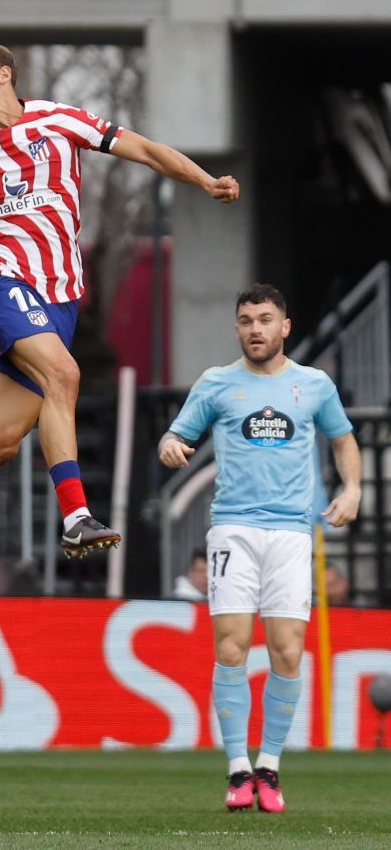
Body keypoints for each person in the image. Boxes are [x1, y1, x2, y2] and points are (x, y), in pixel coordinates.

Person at [0, 30, 240, 559]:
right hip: (4, 287)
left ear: (3, 73)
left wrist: (204, 180)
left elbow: (145, 149)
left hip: (58, 305)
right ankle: (77, 515)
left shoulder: (59, 121)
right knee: (65, 374)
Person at [158, 284, 361, 813]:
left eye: (265, 319)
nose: (255, 329)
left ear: (285, 326)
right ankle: (236, 770)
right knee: (230, 647)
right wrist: (172, 445)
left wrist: (354, 488)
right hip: (234, 530)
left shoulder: (313, 385)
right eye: (246, 320)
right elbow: (173, 436)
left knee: (288, 651)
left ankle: (269, 766)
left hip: (293, 532)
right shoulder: (217, 383)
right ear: (237, 328)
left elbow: (343, 439)